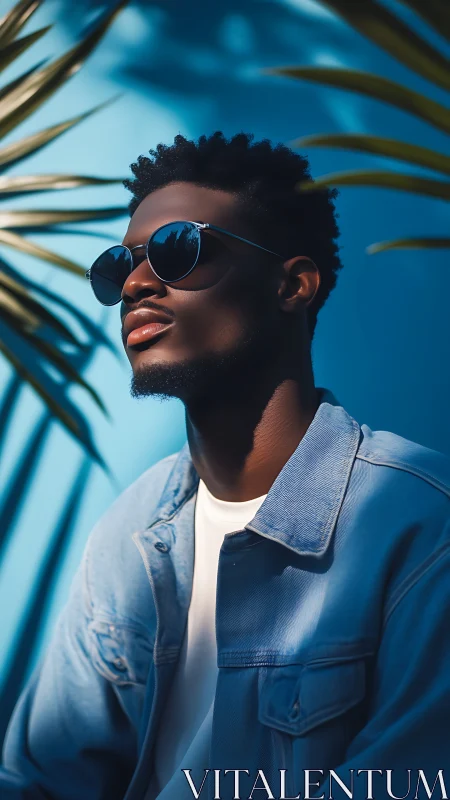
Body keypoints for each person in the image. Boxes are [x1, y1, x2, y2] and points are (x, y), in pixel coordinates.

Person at [1, 131, 450, 800]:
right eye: (117, 266)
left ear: (291, 285)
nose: (136, 284)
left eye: (179, 249)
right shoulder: (129, 537)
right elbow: (38, 782)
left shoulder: (419, 530)